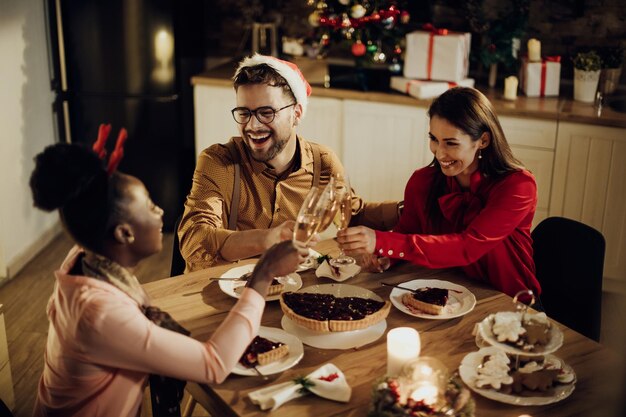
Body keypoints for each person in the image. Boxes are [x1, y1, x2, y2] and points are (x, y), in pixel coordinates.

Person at [29, 127, 307, 417]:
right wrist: (263, 274)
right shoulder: (98, 312)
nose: (160, 211)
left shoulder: (83, 259)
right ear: (124, 233)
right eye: (149, 206)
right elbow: (213, 363)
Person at [179, 53, 400, 271]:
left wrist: (405, 208)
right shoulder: (218, 162)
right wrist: (268, 239)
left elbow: (353, 214)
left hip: (290, 289)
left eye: (266, 113)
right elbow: (194, 239)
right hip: (222, 291)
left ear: (296, 113)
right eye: (244, 113)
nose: (253, 126)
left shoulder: (322, 162)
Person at [337, 87, 541, 298]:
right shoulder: (423, 181)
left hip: (509, 300)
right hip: (453, 291)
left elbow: (467, 247)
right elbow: (407, 231)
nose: (439, 152)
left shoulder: (518, 186)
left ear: (483, 141)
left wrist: (381, 241)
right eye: (434, 139)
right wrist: (388, 258)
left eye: (451, 143)